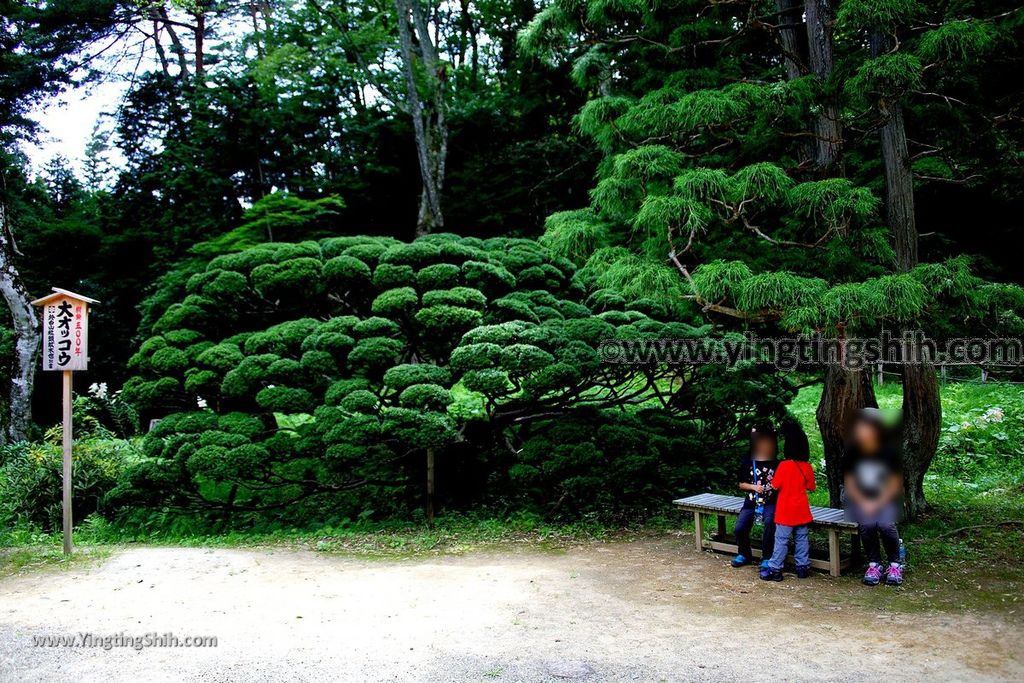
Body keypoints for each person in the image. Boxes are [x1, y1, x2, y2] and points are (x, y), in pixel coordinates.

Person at [843, 409, 904, 586]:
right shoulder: (852, 452)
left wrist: (877, 502)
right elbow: (850, 483)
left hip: (885, 499)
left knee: (886, 525)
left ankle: (895, 563)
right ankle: (874, 563)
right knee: (868, 524)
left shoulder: (890, 452)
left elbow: (895, 484)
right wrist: (863, 502)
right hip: (860, 500)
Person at [760, 421, 815, 581]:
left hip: (785, 511)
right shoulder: (806, 467)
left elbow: (775, 485)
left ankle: (775, 569)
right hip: (802, 510)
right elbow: (811, 487)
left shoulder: (784, 466)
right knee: (802, 539)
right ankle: (802, 567)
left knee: (781, 541)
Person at [731, 426, 778, 568]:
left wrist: (775, 487)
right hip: (751, 502)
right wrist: (754, 487)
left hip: (771, 502)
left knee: (770, 522)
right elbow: (741, 484)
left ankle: (767, 557)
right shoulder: (747, 461)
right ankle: (744, 554)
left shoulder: (778, 463)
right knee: (740, 527)